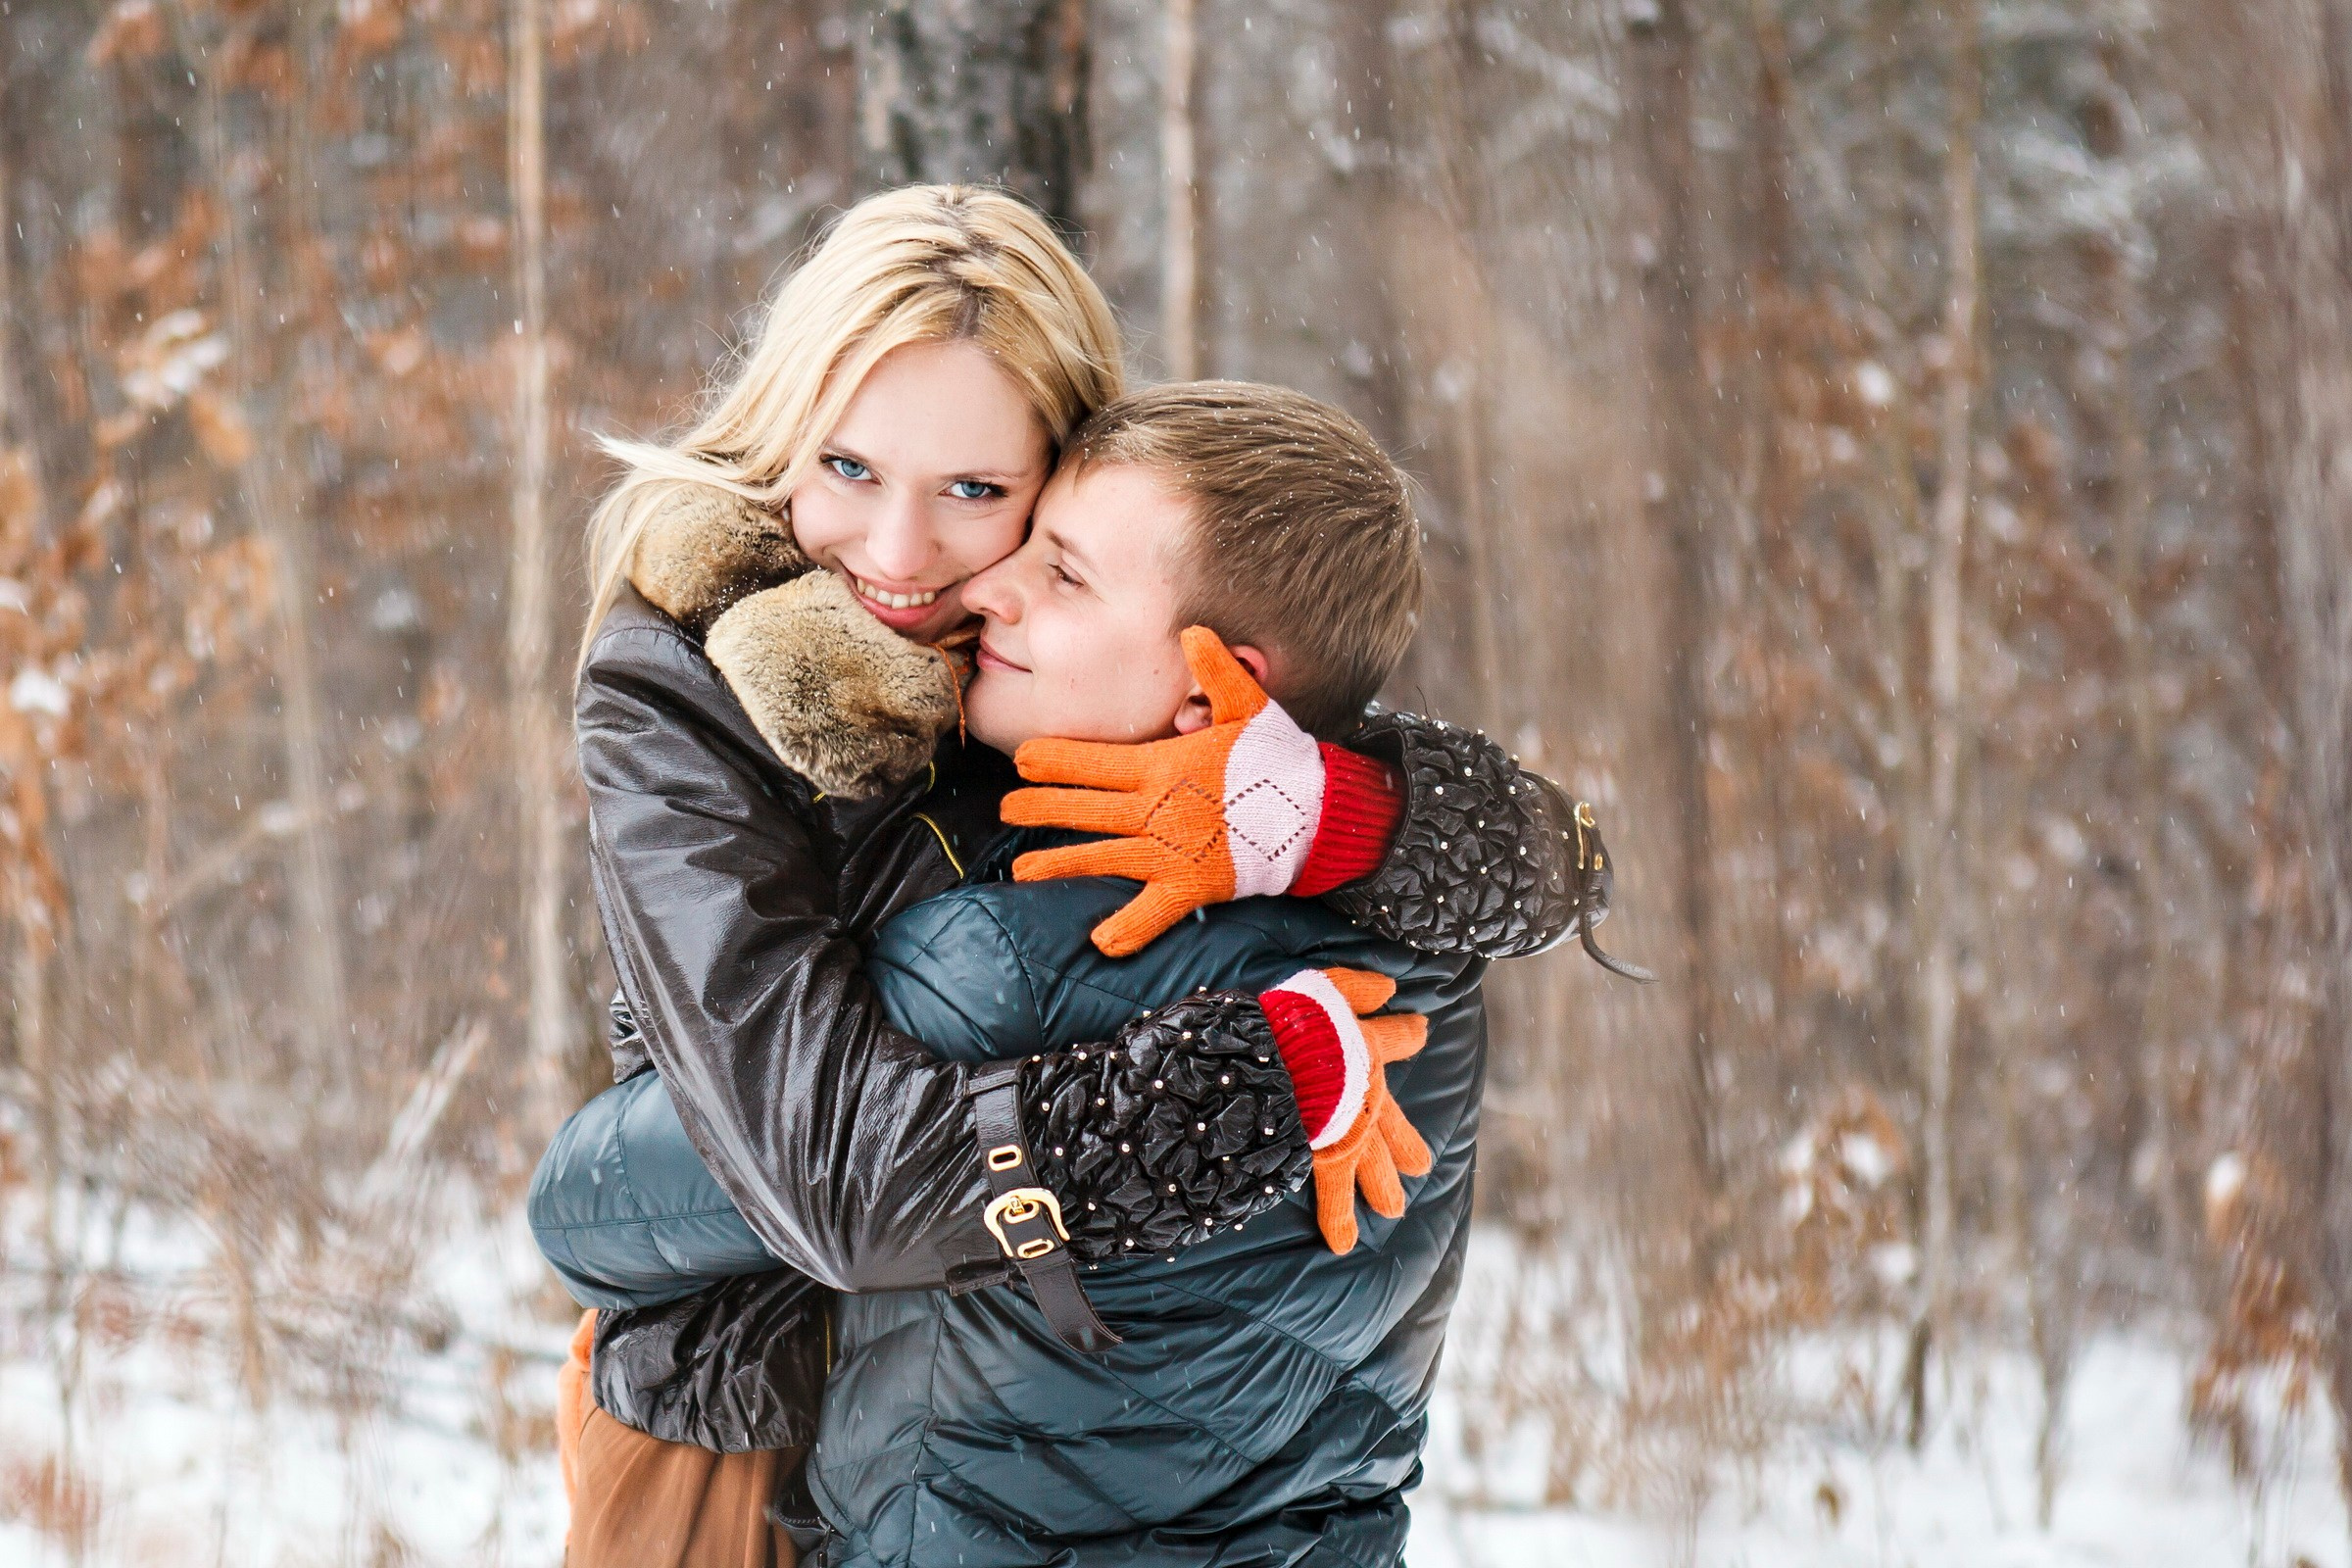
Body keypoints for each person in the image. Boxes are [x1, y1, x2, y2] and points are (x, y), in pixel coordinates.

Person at [544, 377, 1638, 1566]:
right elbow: (1557, 862)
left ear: (1221, 686)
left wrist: (1143, 1130)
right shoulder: (1425, 943)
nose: (987, 588)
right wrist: (1339, 815)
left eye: (1061, 572)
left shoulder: (996, 965)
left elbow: (588, 1208)